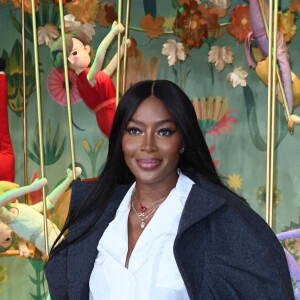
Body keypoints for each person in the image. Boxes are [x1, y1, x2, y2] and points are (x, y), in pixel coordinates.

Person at [45, 80, 294, 299]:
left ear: (182, 140)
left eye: (164, 131)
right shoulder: (94, 214)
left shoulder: (224, 218)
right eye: (135, 130)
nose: (147, 145)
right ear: (121, 139)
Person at [50, 21, 130, 137]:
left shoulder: (90, 75)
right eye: (76, 51)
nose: (86, 50)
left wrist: (122, 49)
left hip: (115, 111)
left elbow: (108, 70)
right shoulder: (85, 78)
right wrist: (112, 33)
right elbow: (99, 58)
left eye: (84, 47)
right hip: (110, 116)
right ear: (71, 60)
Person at [0, 167, 81, 255]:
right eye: (7, 239)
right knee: (69, 256)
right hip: (46, 240)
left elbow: (49, 202)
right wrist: (30, 188)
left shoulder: (20, 210)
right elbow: (1, 200)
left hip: (53, 233)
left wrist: (68, 179)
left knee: (74, 253)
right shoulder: (8, 218)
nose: (4, 235)